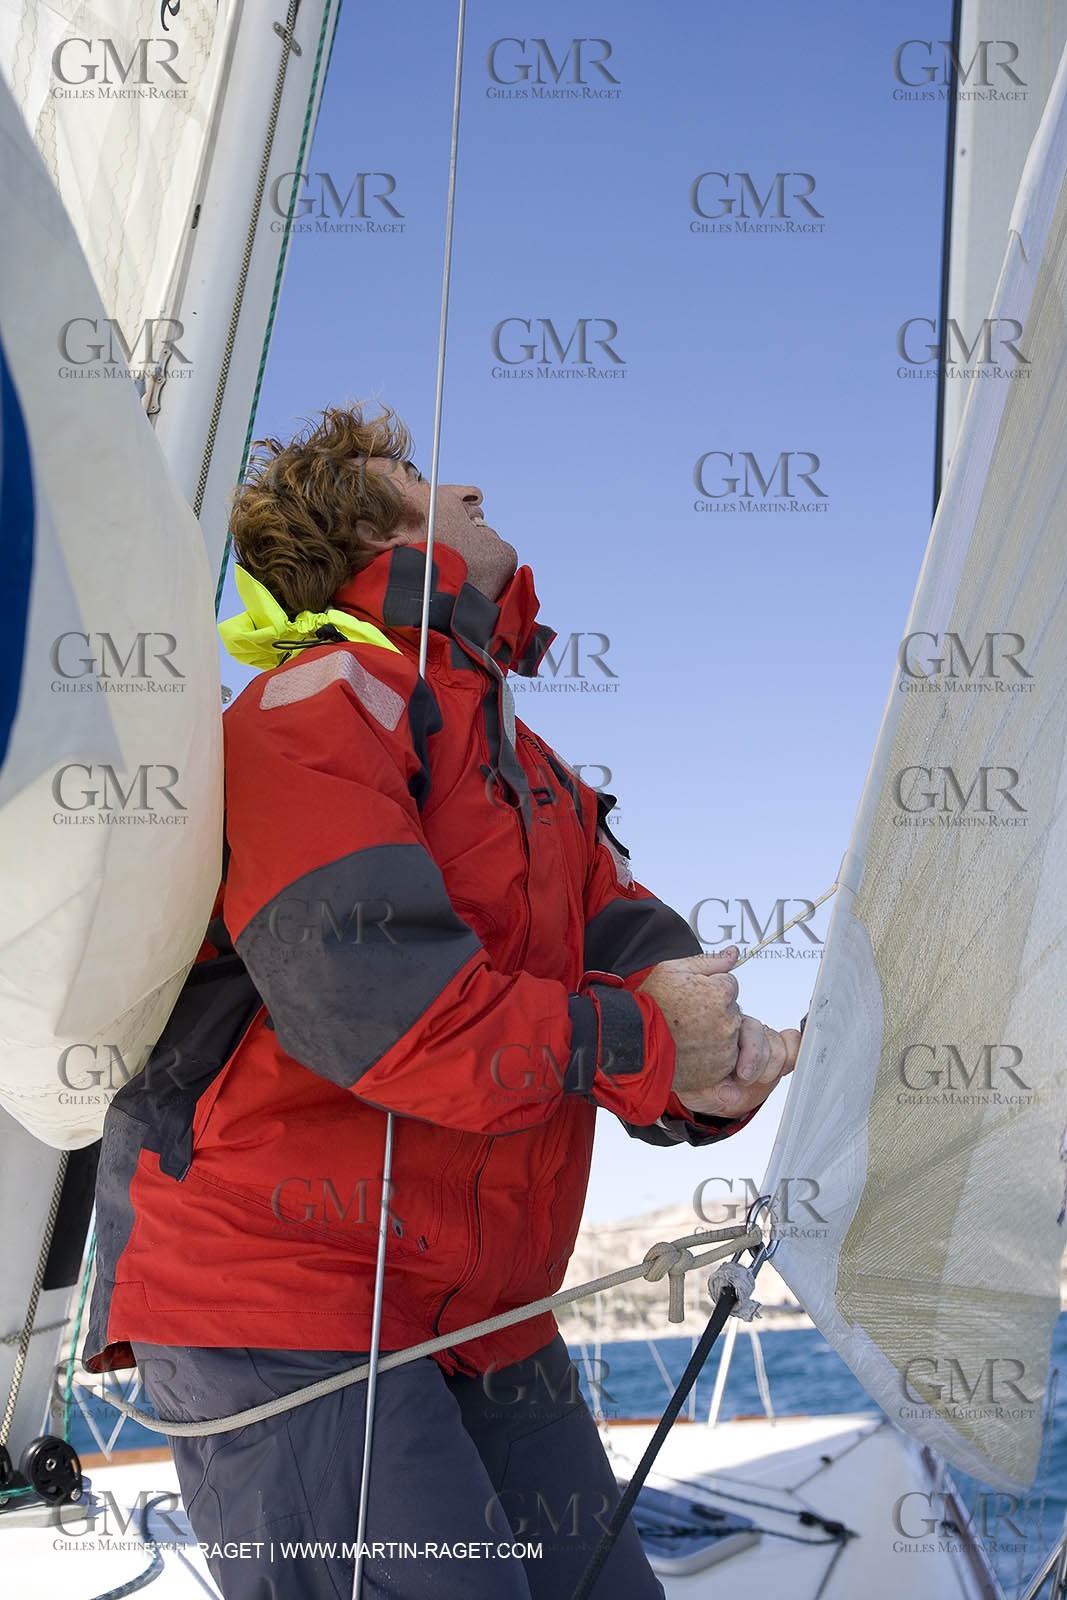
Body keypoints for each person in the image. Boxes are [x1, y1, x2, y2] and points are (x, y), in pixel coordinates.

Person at [86, 404, 800, 1599]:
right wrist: (648, 1040)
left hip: (482, 1316)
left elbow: (641, 982)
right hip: (283, 1302)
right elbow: (399, 1019)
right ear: (358, 529)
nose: (463, 485)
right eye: (415, 473)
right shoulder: (308, 714)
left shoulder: (539, 782)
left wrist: (720, 1068)